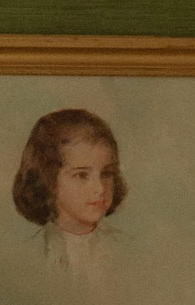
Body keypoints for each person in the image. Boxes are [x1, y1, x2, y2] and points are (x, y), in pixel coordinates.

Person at [11, 109, 129, 275]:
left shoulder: (126, 251)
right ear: (49, 179)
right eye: (81, 175)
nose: (100, 188)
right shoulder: (27, 255)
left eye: (106, 174)